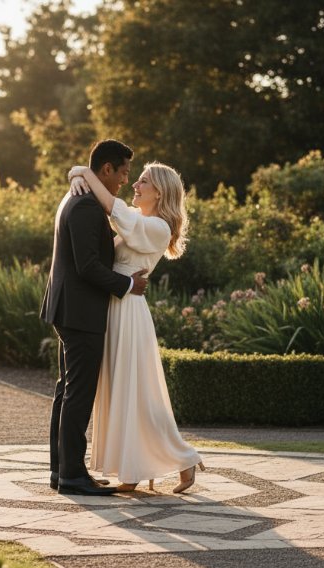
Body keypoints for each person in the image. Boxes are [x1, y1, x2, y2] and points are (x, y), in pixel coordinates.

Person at [67, 161, 205, 494]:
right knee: (119, 391)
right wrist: (76, 174)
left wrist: (84, 173)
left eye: (142, 181)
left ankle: (179, 458)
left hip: (129, 313)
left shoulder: (158, 227)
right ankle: (135, 468)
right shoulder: (139, 219)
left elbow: (112, 208)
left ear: (160, 191)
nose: (135, 185)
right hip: (113, 309)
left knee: (135, 392)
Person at [40, 139, 150, 496]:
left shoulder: (77, 195)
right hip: (81, 311)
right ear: (106, 170)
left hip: (68, 308)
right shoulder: (87, 205)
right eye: (123, 172)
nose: (124, 180)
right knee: (78, 393)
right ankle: (72, 474)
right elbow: (87, 266)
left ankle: (62, 470)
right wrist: (127, 283)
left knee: (66, 391)